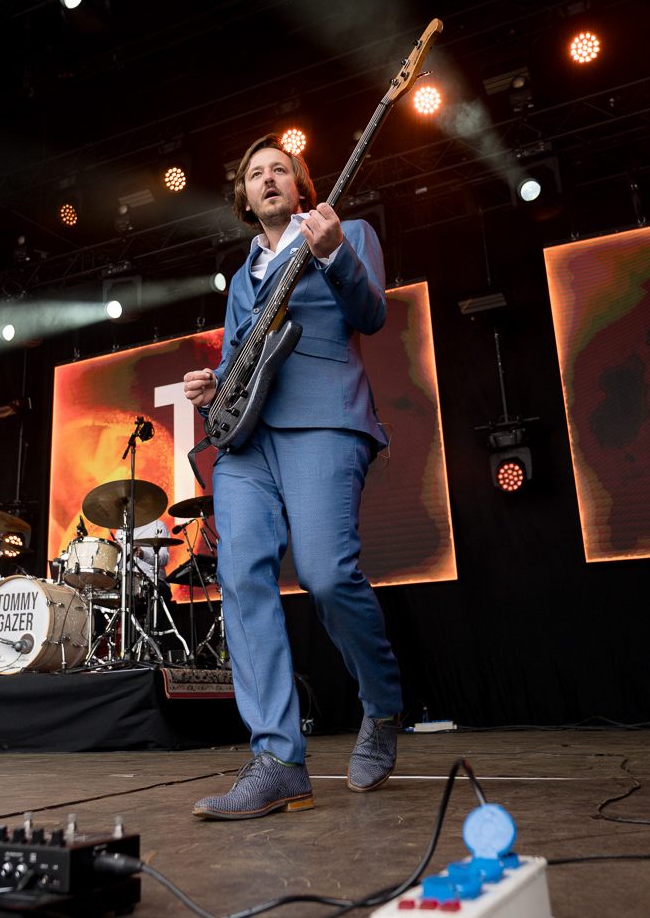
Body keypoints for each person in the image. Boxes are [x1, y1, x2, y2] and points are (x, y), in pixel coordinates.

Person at [181, 133, 401, 820]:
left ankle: (382, 705)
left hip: (325, 418)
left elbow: (371, 315)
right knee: (241, 576)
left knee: (327, 575)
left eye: (280, 169)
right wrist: (212, 387)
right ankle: (277, 761)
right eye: (255, 174)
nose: (268, 178)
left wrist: (332, 252)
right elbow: (243, 361)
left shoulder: (347, 232)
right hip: (248, 443)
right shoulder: (241, 274)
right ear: (245, 198)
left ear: (301, 185)